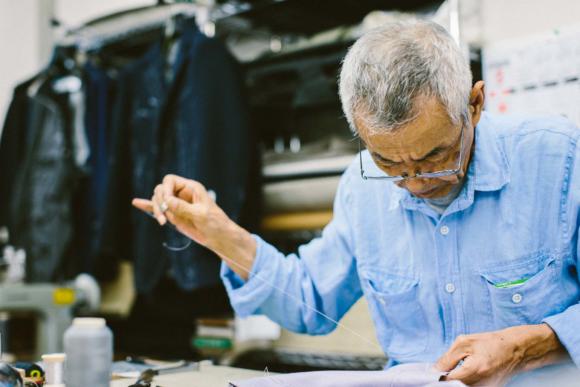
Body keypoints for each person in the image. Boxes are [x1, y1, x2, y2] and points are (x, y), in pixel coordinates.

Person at [132, 20, 580, 385]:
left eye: (435, 158)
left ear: (475, 104)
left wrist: (529, 345)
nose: (415, 182)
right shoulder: (361, 189)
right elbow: (308, 300)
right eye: (388, 162)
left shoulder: (558, 160)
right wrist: (220, 234)